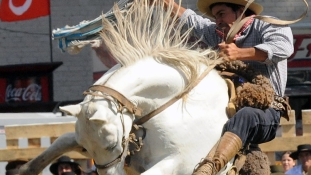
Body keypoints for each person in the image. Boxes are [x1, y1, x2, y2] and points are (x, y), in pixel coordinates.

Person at [154, 0, 294, 174]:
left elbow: (283, 47)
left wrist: (239, 53)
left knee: (246, 116)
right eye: (215, 16)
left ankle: (208, 168)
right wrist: (162, 2)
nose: (217, 20)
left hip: (267, 111)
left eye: (221, 14)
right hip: (227, 110)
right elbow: (192, 20)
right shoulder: (218, 32)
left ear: (241, 12)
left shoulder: (267, 25)